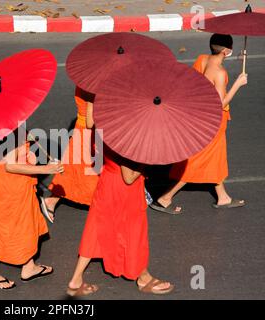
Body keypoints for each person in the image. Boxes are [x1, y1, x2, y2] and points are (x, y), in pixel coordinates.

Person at [150, 34, 248, 215]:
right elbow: (221, 104)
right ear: (226, 51)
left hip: (199, 117)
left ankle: (223, 197)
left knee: (214, 158)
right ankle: (165, 198)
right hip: (213, 122)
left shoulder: (202, 59)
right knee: (197, 161)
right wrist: (237, 84)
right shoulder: (220, 73)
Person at [66, 147, 174, 296]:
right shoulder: (128, 142)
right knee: (133, 233)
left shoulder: (110, 129)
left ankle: (75, 280)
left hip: (107, 183)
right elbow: (128, 178)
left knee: (95, 230)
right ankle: (143, 277)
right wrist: (145, 163)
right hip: (124, 191)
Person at [0, 131, 64, 289]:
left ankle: (29, 265)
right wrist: (47, 169)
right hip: (12, 186)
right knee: (4, 226)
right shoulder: (11, 130)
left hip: (4, 182)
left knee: (25, 222)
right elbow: (11, 166)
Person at [38, 87, 100, 223]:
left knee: (75, 169)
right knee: (82, 171)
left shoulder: (84, 82)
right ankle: (51, 200)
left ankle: (52, 200)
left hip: (83, 130)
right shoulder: (93, 87)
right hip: (89, 133)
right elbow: (91, 121)